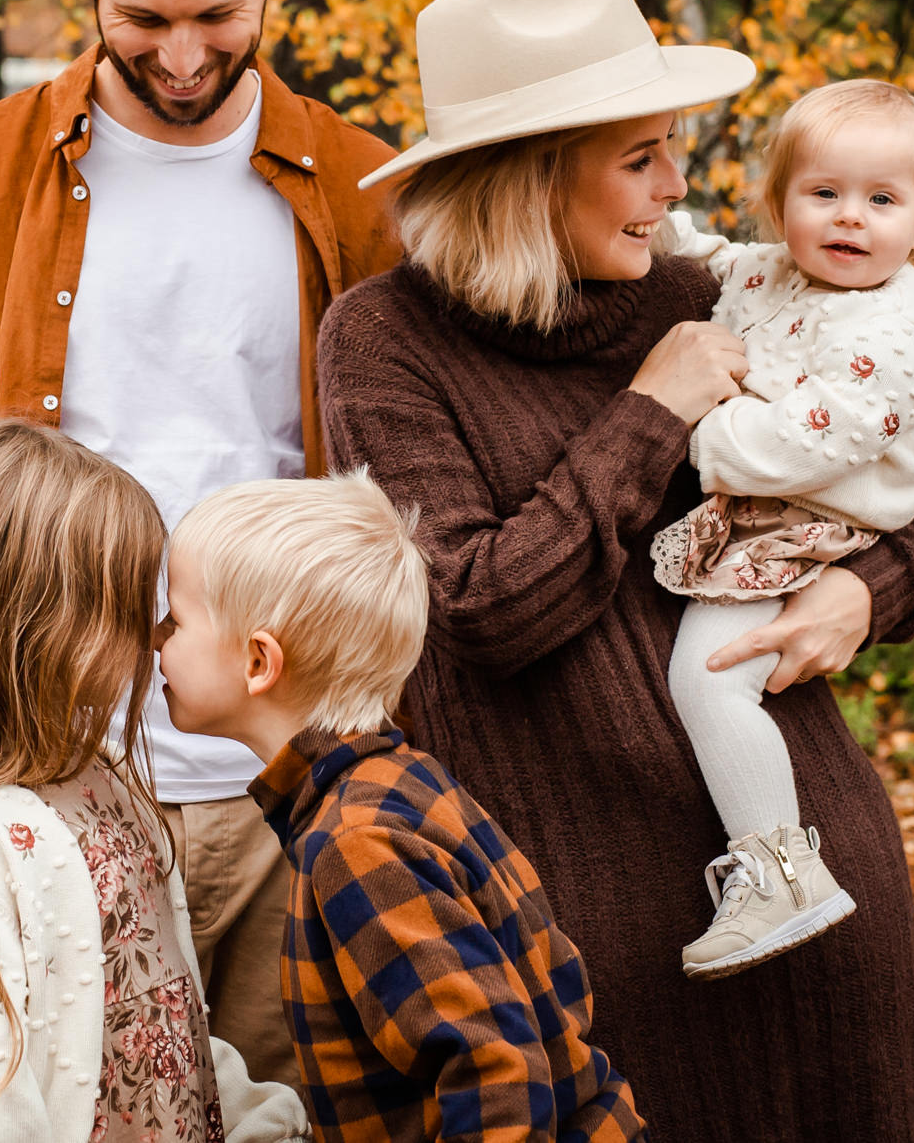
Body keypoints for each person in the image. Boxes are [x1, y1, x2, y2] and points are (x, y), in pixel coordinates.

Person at [317, 0, 914, 1141]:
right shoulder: (383, 342)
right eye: (637, 158)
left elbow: (903, 519)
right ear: (522, 178)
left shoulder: (705, 292)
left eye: (671, 146)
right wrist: (648, 415)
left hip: (811, 878)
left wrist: (859, 598)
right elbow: (477, 610)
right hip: (592, 923)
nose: (676, 184)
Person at [0, 0, 398, 1088]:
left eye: (216, 16)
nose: (178, 53)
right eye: (141, 17)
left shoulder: (357, 187)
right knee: (71, 1106)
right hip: (43, 768)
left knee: (288, 1108)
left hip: (284, 772)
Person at [0, 419, 310, 1143]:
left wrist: (267, 1123)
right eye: (126, 606)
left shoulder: (103, 782)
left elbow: (167, 1023)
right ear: (33, 624)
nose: (154, 633)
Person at [154, 471, 645, 1143]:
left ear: (258, 661)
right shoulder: (399, 783)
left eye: (175, 620)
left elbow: (495, 1075)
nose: (156, 639)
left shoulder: (358, 842)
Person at [652, 80, 914, 979]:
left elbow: (802, 443)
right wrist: (659, 227)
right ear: (779, 201)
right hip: (759, 518)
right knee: (711, 682)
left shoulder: (894, 331)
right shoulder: (771, 269)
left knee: (709, 683)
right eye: (823, 193)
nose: (850, 219)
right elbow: (708, 256)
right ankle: (774, 862)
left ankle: (780, 865)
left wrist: (686, 429)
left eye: (882, 200)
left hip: (805, 529)